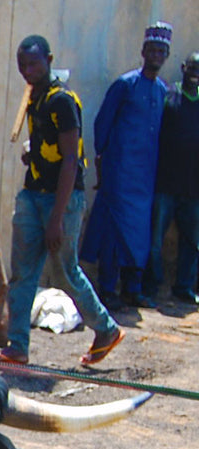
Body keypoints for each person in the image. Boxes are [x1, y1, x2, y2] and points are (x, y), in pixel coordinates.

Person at [0, 36, 124, 367]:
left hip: (61, 199)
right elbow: (46, 142)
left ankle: (106, 329)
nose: (27, 71)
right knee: (23, 272)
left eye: (33, 64)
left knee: (64, 272)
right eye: (22, 65)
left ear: (48, 59)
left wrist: (57, 218)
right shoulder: (34, 98)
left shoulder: (63, 100)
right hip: (33, 193)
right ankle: (17, 346)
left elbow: (71, 162)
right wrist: (31, 150)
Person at [80, 21, 172, 311]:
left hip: (145, 178)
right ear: (143, 51)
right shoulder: (125, 84)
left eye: (162, 51)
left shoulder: (161, 91)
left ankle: (133, 290)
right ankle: (108, 289)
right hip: (119, 173)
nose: (156, 55)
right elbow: (102, 123)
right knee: (113, 234)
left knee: (139, 236)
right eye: (152, 49)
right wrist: (103, 158)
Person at [146, 52, 199, 306]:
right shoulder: (169, 96)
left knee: (192, 241)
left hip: (193, 188)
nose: (195, 74)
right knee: (155, 240)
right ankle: (151, 286)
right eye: (192, 68)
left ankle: (184, 288)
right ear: (182, 68)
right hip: (165, 184)